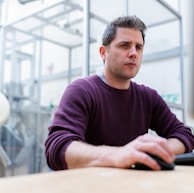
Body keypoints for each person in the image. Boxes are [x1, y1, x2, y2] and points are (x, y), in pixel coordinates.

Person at [45, 15, 194, 171]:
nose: (133, 53)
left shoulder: (148, 97)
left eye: (138, 47)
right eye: (124, 45)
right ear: (104, 52)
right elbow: (58, 148)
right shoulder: (82, 90)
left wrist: (155, 151)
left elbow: (184, 135)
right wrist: (119, 154)